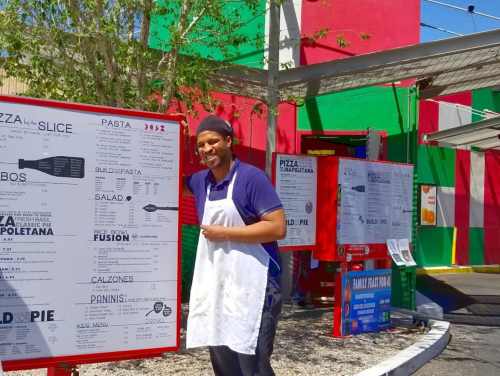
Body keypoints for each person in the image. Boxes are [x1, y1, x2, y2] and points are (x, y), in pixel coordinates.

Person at [181, 114, 286, 376]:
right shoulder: (200, 181)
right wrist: (177, 138)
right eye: (201, 145)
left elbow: (277, 227)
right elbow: (165, 177)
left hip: (256, 289)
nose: (207, 149)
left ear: (228, 141)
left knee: (254, 365)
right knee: (224, 364)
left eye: (213, 141)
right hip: (218, 286)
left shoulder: (252, 178)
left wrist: (225, 233)